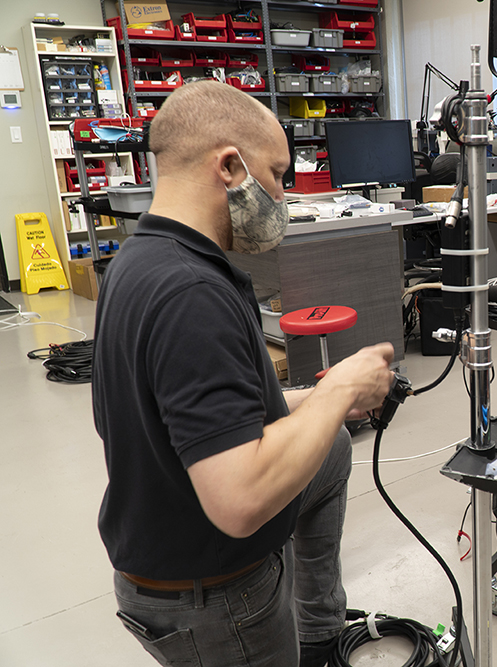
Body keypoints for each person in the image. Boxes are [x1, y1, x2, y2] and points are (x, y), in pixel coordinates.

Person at [91, 80, 395, 667]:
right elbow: (240, 499)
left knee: (329, 449)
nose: (283, 195)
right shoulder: (191, 293)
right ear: (230, 166)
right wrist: (339, 387)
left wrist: (308, 401)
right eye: (278, 176)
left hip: (163, 535)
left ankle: (321, 633)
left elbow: (183, 408)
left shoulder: (142, 257)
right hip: (212, 595)